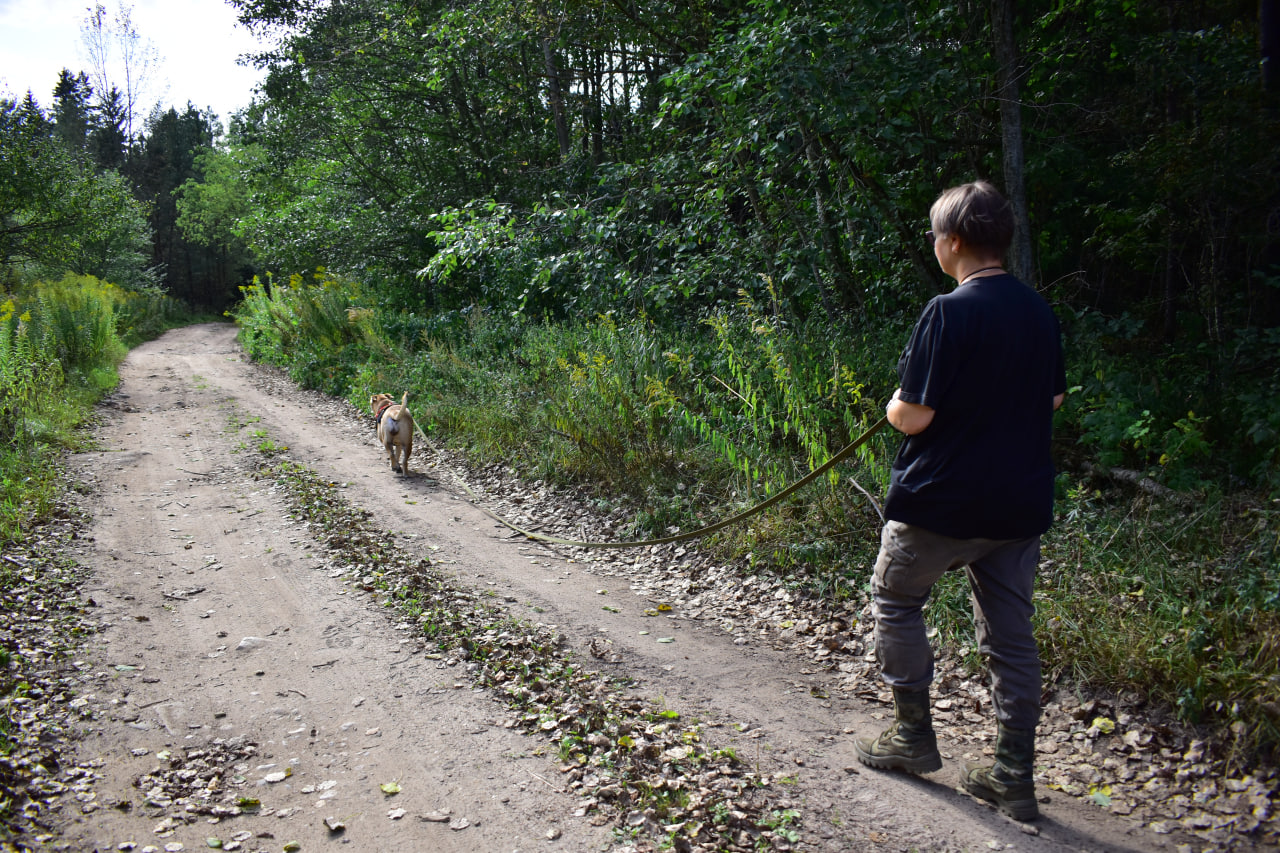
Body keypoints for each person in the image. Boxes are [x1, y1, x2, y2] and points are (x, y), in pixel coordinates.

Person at [853, 180, 1066, 822]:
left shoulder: (947, 312)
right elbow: (1053, 398)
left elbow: (914, 415)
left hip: (940, 502)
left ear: (950, 241)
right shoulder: (1038, 310)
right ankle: (1013, 774)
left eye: (933, 236)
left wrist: (893, 406)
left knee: (896, 600)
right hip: (1017, 504)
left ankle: (912, 736)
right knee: (1010, 634)